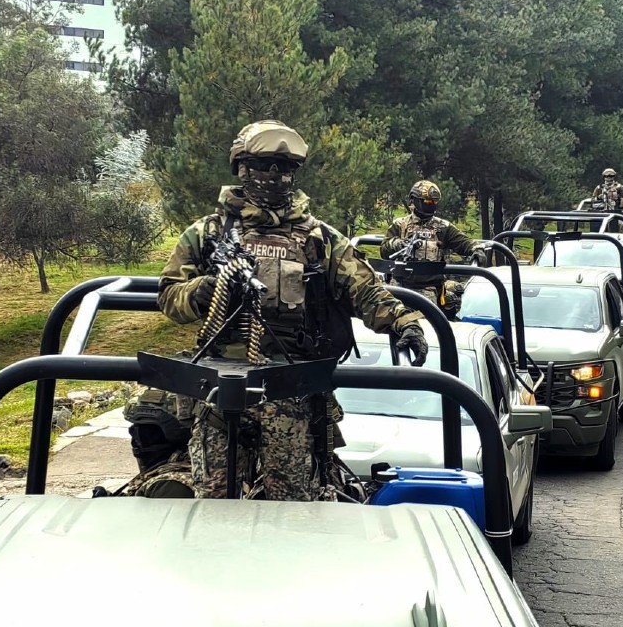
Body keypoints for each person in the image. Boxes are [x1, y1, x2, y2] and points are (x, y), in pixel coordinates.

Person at [149, 119, 429, 502]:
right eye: (265, 165)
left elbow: (364, 289)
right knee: (213, 503)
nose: (275, 175)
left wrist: (402, 322)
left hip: (291, 389)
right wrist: (209, 288)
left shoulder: (320, 239)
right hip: (219, 387)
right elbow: (169, 298)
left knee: (293, 505)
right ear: (242, 168)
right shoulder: (207, 234)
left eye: (285, 168)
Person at [380, 179, 488, 315]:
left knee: (424, 324)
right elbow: (384, 250)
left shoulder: (443, 227)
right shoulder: (399, 225)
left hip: (428, 288)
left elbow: (464, 242)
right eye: (427, 201)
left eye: (434, 202)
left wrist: (477, 249)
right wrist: (398, 244)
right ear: (414, 200)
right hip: (400, 285)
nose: (431, 204)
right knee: (390, 320)